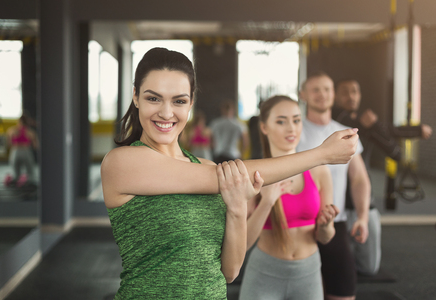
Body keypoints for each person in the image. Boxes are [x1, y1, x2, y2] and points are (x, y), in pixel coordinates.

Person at [100, 48, 359, 299]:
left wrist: (236, 208)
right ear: (135, 96)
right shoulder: (122, 163)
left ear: (190, 103)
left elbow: (230, 271)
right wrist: (321, 154)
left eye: (178, 101)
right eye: (153, 98)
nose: (166, 112)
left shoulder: (208, 167)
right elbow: (231, 175)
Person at [239, 95, 339, 300]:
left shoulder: (319, 171)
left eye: (296, 120)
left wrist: (326, 224)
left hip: (308, 273)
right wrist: (267, 202)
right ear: (264, 127)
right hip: (265, 273)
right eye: (281, 121)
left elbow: (325, 237)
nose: (291, 128)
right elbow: (242, 244)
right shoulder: (253, 173)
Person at [334, 79, 433, 276]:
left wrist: (415, 130)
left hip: (363, 201)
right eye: (345, 92)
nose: (351, 96)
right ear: (335, 96)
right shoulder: (332, 121)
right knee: (336, 266)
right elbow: (360, 126)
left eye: (355, 91)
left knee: (370, 268)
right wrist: (375, 125)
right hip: (337, 202)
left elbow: (391, 133)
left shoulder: (363, 124)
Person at [297, 72, 371, 300]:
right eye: (316, 89)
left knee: (344, 292)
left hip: (335, 223)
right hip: (300, 225)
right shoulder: (293, 132)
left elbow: (359, 178)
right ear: (303, 95)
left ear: (333, 95)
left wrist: (362, 216)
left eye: (327, 89)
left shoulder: (345, 134)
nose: (322, 95)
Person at [5, 115, 39, 187]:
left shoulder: (11, 130)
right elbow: (36, 146)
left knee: (15, 171)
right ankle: (30, 182)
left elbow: (8, 144)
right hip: (26, 150)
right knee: (30, 170)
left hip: (15, 151)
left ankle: (16, 180)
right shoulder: (30, 132)